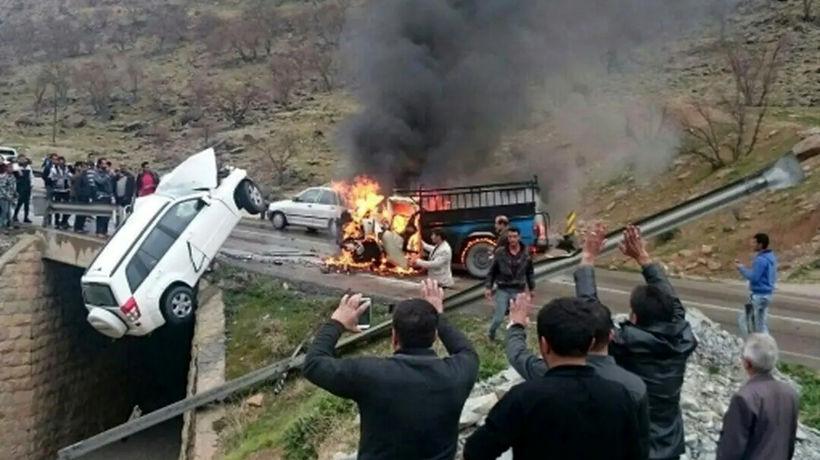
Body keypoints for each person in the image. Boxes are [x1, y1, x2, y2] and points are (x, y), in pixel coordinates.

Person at [504, 225, 650, 459]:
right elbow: (639, 449)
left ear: (545, 345)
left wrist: (517, 324)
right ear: (610, 336)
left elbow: (517, 354)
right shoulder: (632, 387)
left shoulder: (540, 379)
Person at [302, 279, 479, 460]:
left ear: (394, 336)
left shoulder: (371, 374)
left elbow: (313, 364)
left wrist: (337, 322)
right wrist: (438, 315)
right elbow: (466, 350)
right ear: (434, 335)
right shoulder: (458, 374)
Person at [463, 297, 642, 460]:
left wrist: (516, 326)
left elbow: (475, 451)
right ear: (591, 344)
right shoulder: (620, 395)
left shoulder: (524, 397)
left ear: (544, 344)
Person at [578, 223, 697, 460]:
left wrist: (588, 258)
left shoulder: (626, 343)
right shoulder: (681, 339)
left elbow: (591, 313)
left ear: (634, 316)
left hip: (633, 446)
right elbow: (673, 304)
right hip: (669, 445)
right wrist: (643, 257)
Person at [717, 333, 799, 460]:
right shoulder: (790, 394)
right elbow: (789, 443)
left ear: (747, 363)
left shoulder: (743, 398)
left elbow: (731, 450)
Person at [484, 226, 534, 341]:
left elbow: (530, 272)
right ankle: (491, 334)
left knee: (518, 318)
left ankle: (516, 339)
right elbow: (492, 271)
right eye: (510, 237)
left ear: (519, 237)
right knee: (498, 317)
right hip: (503, 288)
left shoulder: (526, 253)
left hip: (518, 289)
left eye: (515, 237)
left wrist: (532, 288)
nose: (512, 239)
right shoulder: (500, 252)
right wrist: (488, 287)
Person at [734, 233, 777, 335]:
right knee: (761, 324)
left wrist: (741, 268)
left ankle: (752, 344)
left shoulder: (760, 259)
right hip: (768, 295)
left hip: (759, 296)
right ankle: (767, 347)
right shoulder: (770, 257)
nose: (752, 245)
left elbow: (754, 278)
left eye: (754, 242)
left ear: (760, 245)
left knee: (744, 321)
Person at [48, 156, 73, 229]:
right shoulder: (54, 169)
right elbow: (51, 178)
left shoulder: (67, 169)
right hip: (57, 190)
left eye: (63, 161)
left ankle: (64, 221)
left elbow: (71, 177)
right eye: (60, 162)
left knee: (66, 207)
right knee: (57, 207)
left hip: (66, 190)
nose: (62, 163)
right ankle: (57, 222)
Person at [94, 159, 114, 237]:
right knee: (101, 215)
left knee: (107, 215)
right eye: (103, 164)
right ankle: (99, 231)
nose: (105, 165)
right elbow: (100, 182)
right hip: (101, 196)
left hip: (108, 195)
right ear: (99, 164)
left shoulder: (107, 173)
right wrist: (108, 176)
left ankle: (104, 231)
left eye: (106, 163)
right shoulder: (96, 173)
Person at [13, 156, 33, 224]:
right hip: (20, 186)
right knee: (19, 202)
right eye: (21, 159)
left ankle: (26, 217)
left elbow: (31, 176)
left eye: (24, 159)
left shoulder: (28, 167)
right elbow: (16, 175)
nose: (23, 160)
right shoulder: (16, 166)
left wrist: (31, 184)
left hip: (27, 186)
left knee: (27, 203)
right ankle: (15, 215)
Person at [0, 163, 17, 231]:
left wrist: (15, 193)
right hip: (3, 197)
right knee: (5, 211)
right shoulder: (4, 176)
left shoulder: (12, 176)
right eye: (9, 168)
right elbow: (1, 187)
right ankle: (2, 226)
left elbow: (13, 186)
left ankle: (8, 225)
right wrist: (8, 196)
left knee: (10, 212)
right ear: (6, 168)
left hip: (11, 196)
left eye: (12, 168)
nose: (11, 169)